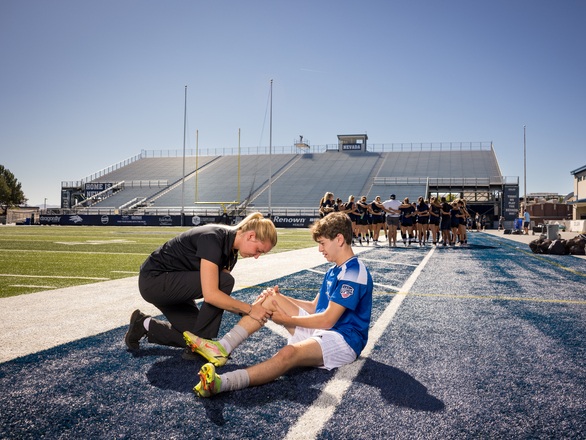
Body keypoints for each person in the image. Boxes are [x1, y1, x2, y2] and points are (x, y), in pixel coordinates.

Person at [184, 212, 373, 398]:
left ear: (339, 239)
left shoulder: (353, 272)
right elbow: (315, 307)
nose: (320, 249)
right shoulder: (335, 270)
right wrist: (280, 297)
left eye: (322, 243)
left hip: (344, 341)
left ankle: (222, 383)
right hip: (324, 331)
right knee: (270, 299)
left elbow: (327, 320)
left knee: (288, 354)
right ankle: (223, 347)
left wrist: (286, 320)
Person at [124, 212, 278, 351]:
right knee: (225, 281)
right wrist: (250, 309)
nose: (257, 256)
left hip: (174, 286)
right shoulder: (213, 238)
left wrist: (249, 309)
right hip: (154, 281)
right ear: (250, 236)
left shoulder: (232, 254)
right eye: (259, 250)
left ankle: (143, 324)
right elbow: (211, 294)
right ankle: (201, 345)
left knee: (198, 340)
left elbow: (215, 294)